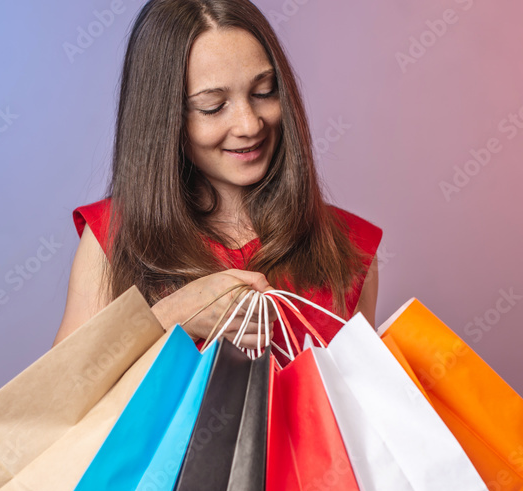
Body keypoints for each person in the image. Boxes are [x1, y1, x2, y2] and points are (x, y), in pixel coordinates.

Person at [53, 0, 383, 357]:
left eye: (264, 92)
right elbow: (57, 398)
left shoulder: (348, 249)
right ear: (165, 120)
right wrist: (171, 315)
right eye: (213, 106)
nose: (249, 124)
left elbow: (354, 403)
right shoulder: (114, 236)